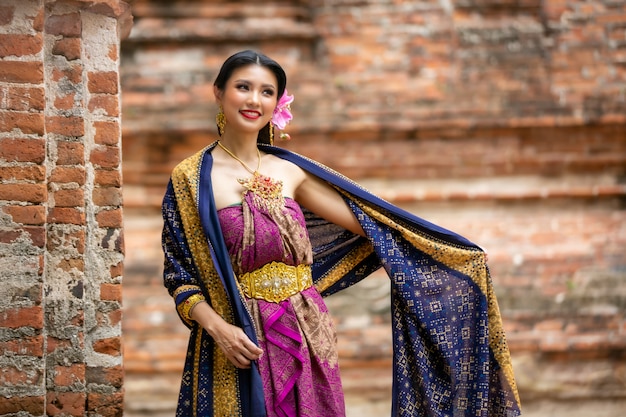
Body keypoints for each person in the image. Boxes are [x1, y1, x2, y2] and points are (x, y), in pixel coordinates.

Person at [161, 50, 522, 417]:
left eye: (267, 92)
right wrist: (219, 329)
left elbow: (374, 225)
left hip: (306, 328)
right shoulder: (191, 179)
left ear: (277, 103)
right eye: (243, 87)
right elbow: (179, 276)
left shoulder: (290, 172)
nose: (255, 100)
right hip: (240, 337)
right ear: (218, 92)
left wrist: (448, 254)